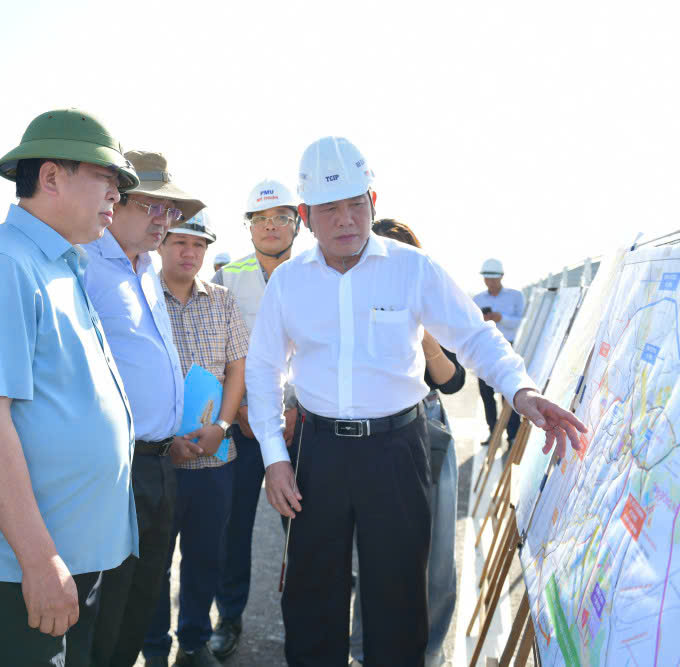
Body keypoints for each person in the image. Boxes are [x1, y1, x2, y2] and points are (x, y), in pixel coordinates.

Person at [247, 136, 586, 666]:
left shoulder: (413, 269)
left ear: (374, 204)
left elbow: (475, 338)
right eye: (331, 209)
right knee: (311, 600)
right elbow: (264, 370)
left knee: (399, 600)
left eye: (356, 204)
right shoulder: (288, 283)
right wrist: (274, 457)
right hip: (317, 453)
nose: (346, 220)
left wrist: (521, 391)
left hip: (397, 451)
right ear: (307, 216)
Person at [0, 108, 140, 667]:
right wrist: (39, 560)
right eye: (106, 180)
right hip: (27, 564)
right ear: (51, 177)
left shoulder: (56, 261)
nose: (115, 198)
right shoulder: (1, 264)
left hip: (69, 554)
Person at [83, 150, 205, 667]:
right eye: (153, 207)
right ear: (118, 202)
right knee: (104, 605)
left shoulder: (147, 269)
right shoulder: (84, 263)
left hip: (159, 463)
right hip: (113, 467)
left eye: (170, 211)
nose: (165, 220)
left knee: (142, 598)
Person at [349, 218, 465, 667]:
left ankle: (427, 652)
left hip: (426, 427)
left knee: (435, 556)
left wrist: (422, 333)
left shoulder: (430, 298)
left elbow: (452, 381)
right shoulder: (349, 301)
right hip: (368, 433)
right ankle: (364, 651)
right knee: (372, 556)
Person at [143, 211, 251, 667]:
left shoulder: (223, 301)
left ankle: (193, 641)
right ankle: (152, 647)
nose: (190, 253)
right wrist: (169, 442)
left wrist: (222, 427)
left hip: (214, 457)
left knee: (206, 555)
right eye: (180, 243)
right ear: (161, 244)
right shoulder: (143, 297)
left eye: (198, 245)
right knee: (154, 560)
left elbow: (237, 370)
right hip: (159, 458)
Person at [209, 178, 300, 660]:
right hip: (242, 426)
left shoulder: (315, 271)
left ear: (297, 224)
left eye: (281, 218)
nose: (270, 227)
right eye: (261, 220)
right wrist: (240, 409)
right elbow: (221, 350)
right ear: (248, 228)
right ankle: (230, 615)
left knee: (305, 527)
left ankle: (309, 618)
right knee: (233, 524)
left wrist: (294, 410)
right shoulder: (228, 277)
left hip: (300, 424)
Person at [473, 258, 526, 445]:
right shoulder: (477, 299)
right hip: (485, 351)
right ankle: (493, 433)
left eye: (493, 278)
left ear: (502, 276)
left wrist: (501, 318)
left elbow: (523, 322)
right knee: (487, 395)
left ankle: (512, 435)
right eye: (487, 278)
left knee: (510, 394)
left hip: (508, 350)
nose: (490, 282)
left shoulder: (516, 296)